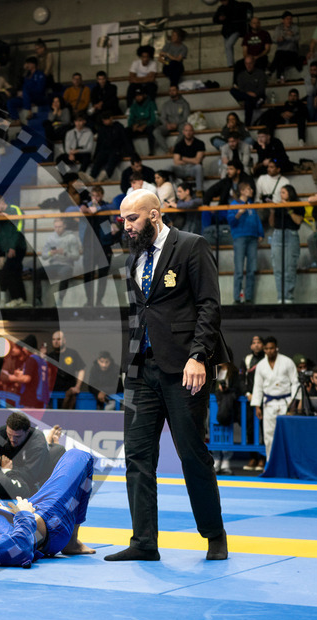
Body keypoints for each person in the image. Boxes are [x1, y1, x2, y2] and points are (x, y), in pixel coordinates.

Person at [107, 189, 231, 562]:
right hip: (140, 369)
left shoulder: (191, 246)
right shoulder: (134, 256)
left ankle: (214, 535)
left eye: (132, 218)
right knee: (137, 456)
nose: (126, 226)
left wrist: (199, 356)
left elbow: (209, 306)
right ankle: (144, 542)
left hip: (184, 369)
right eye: (122, 220)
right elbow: (140, 313)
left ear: (154, 215)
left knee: (192, 454)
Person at [249, 337, 298, 473]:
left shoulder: (287, 362)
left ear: (276, 348)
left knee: (287, 435)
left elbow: (295, 382)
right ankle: (271, 464)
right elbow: (258, 386)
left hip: (285, 402)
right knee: (268, 435)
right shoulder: (261, 365)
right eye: (267, 349)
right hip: (268, 404)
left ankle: (289, 464)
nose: (269, 351)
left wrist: (294, 402)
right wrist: (257, 406)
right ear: (264, 349)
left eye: (271, 348)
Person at [228, 181, 264, 304]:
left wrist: (260, 233)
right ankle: (237, 298)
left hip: (252, 237)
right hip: (240, 237)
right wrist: (239, 212)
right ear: (242, 191)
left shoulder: (251, 204)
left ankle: (249, 297)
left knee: (251, 268)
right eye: (248, 189)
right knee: (239, 269)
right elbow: (231, 221)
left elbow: (256, 219)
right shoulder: (234, 204)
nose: (251, 191)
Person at [269, 185, 305, 304]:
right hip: (277, 234)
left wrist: (289, 209)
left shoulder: (298, 205)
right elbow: (272, 224)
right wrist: (272, 210)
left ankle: (288, 296)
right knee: (277, 268)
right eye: (280, 192)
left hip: (291, 234)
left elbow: (298, 221)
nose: (281, 195)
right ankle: (280, 296)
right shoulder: (278, 205)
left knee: (290, 267)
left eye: (283, 192)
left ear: (290, 193)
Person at [229, 55, 266, 125]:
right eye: (246, 63)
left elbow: (261, 89)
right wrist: (248, 94)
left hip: (258, 97)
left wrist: (253, 94)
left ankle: (247, 125)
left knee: (248, 102)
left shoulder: (260, 73)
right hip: (248, 96)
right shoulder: (241, 75)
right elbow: (241, 89)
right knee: (232, 90)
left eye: (250, 63)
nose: (248, 66)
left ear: (254, 63)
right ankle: (249, 98)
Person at [212, 0, 250, 67]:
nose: (223, 2)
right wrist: (219, 18)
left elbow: (239, 16)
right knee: (227, 47)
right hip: (227, 31)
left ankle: (230, 64)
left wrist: (225, 18)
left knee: (228, 45)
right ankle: (230, 63)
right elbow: (215, 19)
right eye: (221, 1)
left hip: (236, 29)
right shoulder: (221, 8)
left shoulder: (236, 5)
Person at [270, 11, 305, 82]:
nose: (289, 20)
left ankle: (271, 70)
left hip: (291, 52)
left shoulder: (295, 28)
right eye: (287, 19)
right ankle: (280, 78)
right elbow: (274, 39)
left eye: (290, 19)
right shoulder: (278, 28)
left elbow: (297, 39)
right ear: (283, 20)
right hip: (281, 52)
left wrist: (284, 38)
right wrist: (284, 37)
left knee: (280, 55)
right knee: (280, 59)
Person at [171, 123, 204, 191]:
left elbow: (197, 161)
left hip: (193, 168)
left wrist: (183, 158)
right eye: (186, 131)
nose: (188, 133)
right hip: (181, 168)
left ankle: (199, 191)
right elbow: (176, 162)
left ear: (193, 132)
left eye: (190, 130)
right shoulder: (178, 145)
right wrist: (192, 160)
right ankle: (173, 191)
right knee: (169, 168)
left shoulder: (200, 143)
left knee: (199, 167)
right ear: (183, 132)